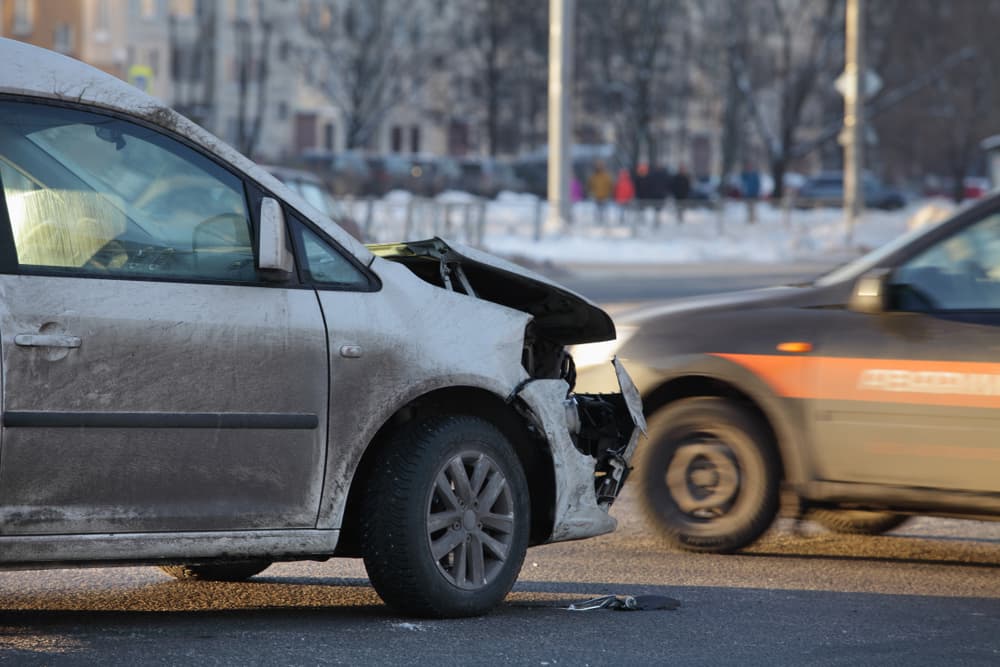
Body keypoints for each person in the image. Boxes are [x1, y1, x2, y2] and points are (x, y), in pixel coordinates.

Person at [586, 160, 613, 224]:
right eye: (598, 166)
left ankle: (604, 222)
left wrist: (609, 193)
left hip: (604, 196)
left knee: (604, 211)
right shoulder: (593, 176)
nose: (599, 167)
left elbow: (610, 185)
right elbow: (590, 185)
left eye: (600, 166)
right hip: (597, 196)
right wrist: (591, 192)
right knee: (597, 211)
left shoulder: (606, 176)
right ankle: (598, 222)